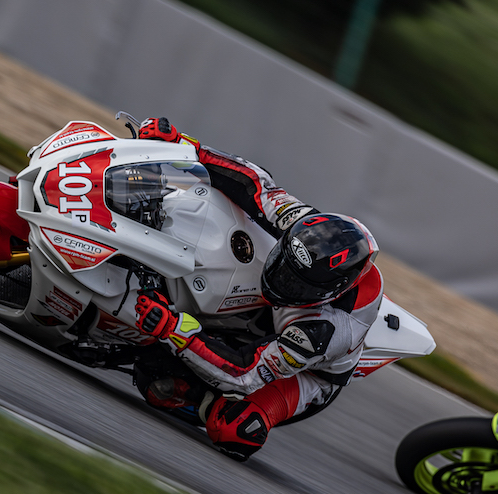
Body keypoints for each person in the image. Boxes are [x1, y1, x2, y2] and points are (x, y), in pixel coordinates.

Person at [133, 117, 383, 461]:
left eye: (296, 283)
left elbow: (243, 374)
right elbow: (253, 182)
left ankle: (204, 400)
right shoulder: (307, 227)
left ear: (329, 292)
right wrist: (185, 145)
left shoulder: (322, 331)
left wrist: (172, 329)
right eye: (285, 266)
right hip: (278, 311)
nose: (281, 280)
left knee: (233, 429)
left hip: (306, 373)